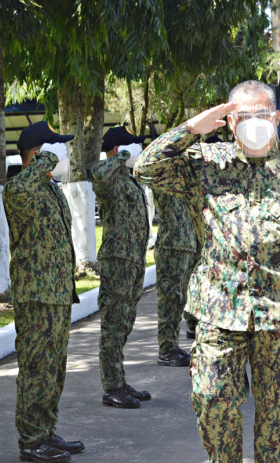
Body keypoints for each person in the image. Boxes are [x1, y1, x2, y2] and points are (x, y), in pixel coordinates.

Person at [134, 80, 280, 462]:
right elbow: (146, 169)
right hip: (219, 312)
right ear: (229, 122)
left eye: (263, 114)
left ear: (277, 117)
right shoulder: (205, 164)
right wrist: (191, 129)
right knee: (211, 401)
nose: (255, 123)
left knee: (278, 422)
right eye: (244, 116)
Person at [4, 121, 84, 462]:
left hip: (56, 293)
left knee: (54, 370)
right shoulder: (19, 188)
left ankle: (47, 432)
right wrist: (45, 163)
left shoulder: (49, 188)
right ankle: (31, 440)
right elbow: (19, 191)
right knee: (37, 369)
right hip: (35, 296)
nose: (64, 153)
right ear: (39, 154)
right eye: (58, 148)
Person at [93, 126, 151, 409]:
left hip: (134, 260)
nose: (136, 150)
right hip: (118, 262)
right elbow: (100, 172)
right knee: (114, 324)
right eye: (130, 146)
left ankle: (119, 379)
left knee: (125, 322)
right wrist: (120, 157)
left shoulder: (128, 180)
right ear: (118, 150)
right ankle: (111, 387)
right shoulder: (110, 177)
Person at [153, 189, 200, 364]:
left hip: (187, 245)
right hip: (171, 245)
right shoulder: (164, 179)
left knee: (179, 298)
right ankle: (166, 350)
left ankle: (172, 347)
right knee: (169, 299)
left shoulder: (183, 182)